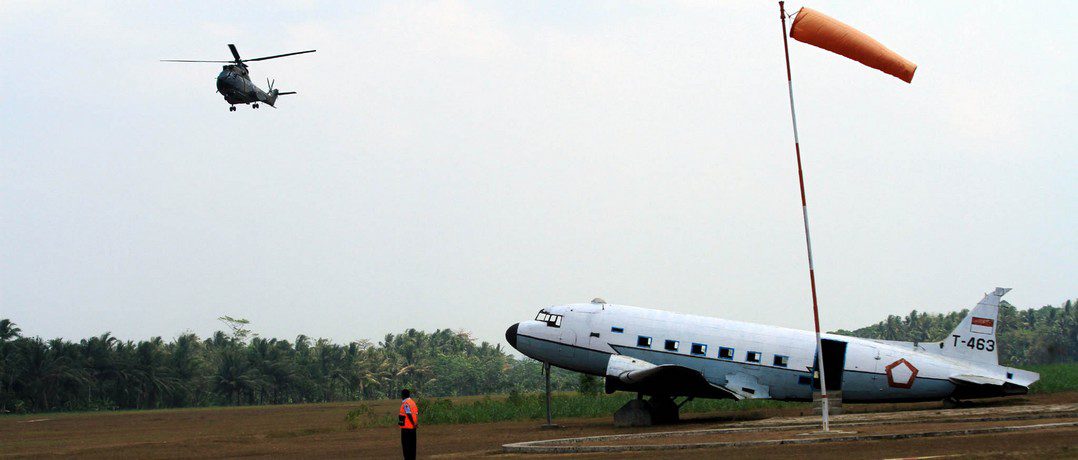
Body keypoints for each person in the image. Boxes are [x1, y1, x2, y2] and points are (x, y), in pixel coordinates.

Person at [399, 389, 418, 460]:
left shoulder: (406, 403)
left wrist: (413, 423)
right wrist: (415, 424)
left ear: (403, 395)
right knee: (413, 446)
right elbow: (415, 414)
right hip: (413, 428)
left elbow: (408, 413)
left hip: (406, 428)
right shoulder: (413, 402)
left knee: (406, 446)